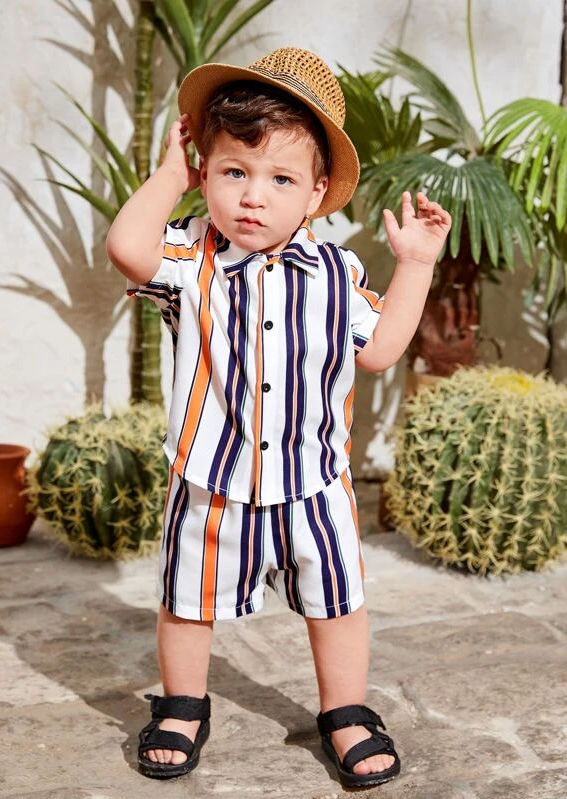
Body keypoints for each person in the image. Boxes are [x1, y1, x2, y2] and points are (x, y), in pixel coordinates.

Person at [106, 47, 451, 789]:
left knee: (337, 602)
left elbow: (380, 349)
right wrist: (169, 176)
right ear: (206, 174)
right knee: (187, 599)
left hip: (312, 482)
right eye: (234, 172)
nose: (252, 198)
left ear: (318, 192)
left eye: (281, 179)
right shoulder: (189, 257)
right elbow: (127, 249)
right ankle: (182, 705)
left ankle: (345, 711)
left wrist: (416, 264)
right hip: (212, 479)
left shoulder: (338, 273)